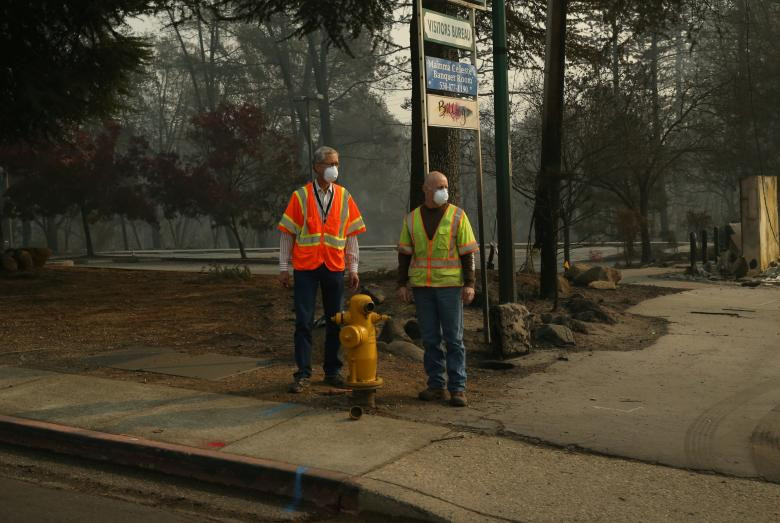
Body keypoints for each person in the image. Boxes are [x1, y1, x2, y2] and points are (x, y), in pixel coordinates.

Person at [278, 146, 366, 393]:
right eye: (329, 164)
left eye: (336, 163)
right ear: (316, 167)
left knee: (335, 321)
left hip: (334, 267)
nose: (334, 168)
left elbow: (350, 236)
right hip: (306, 268)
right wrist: (284, 268)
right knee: (303, 323)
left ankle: (332, 371)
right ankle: (303, 374)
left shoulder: (344, 196)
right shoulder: (300, 197)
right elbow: (287, 234)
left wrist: (353, 268)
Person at [397, 171, 477, 407]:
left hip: (450, 288)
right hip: (423, 288)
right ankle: (436, 385)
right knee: (431, 339)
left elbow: (468, 254)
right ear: (426, 190)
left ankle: (458, 389)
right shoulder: (412, 219)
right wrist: (402, 284)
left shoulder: (458, 216)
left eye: (446, 186)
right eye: (439, 187)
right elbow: (404, 254)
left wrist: (470, 284)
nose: (444, 190)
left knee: (454, 339)